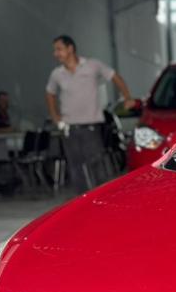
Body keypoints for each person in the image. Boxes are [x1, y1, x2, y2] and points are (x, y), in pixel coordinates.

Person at [45, 35, 133, 193]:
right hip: (69, 129)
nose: (55, 54)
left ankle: (101, 199)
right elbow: (50, 93)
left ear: (70, 48)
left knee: (97, 166)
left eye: (59, 49)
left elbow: (114, 77)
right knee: (76, 169)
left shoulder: (93, 65)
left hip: (91, 128)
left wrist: (127, 97)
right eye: (55, 50)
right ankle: (82, 201)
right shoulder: (57, 74)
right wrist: (55, 117)